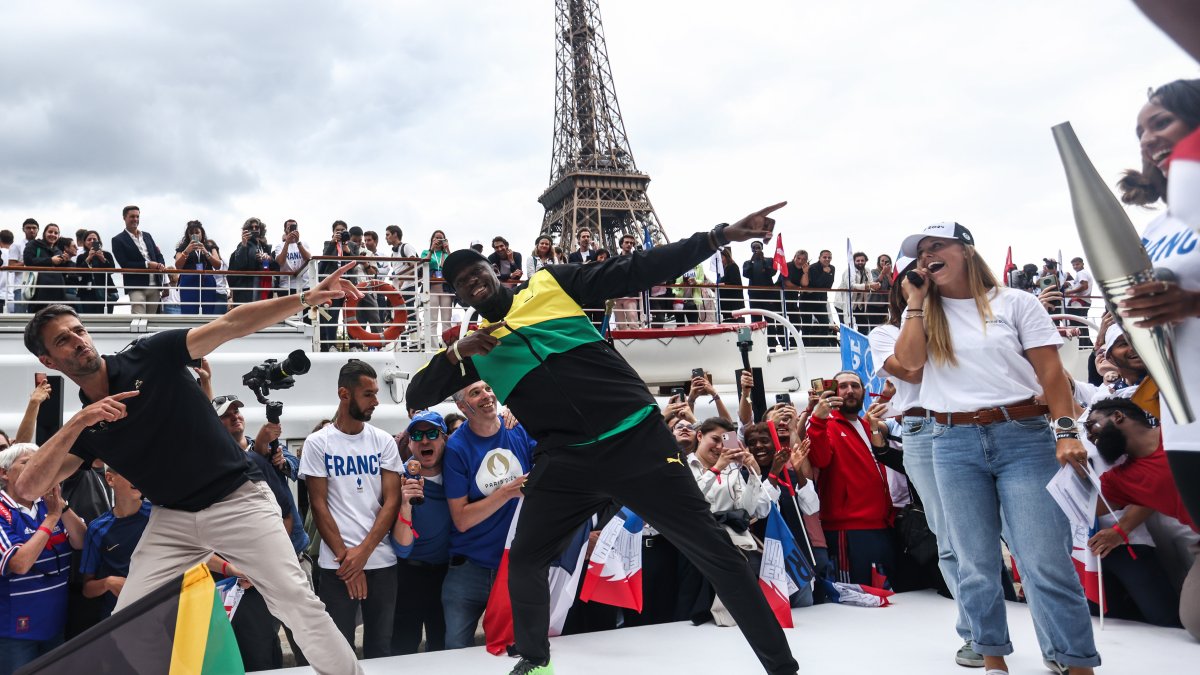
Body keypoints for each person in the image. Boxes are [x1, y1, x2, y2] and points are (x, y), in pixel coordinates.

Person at [407, 202, 798, 675]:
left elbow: (635, 268)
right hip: (568, 461)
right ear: (460, 297)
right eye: (463, 282)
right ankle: (534, 660)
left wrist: (717, 237)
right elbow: (416, 396)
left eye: (478, 271)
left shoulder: (549, 284)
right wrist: (455, 353)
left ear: (495, 270)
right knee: (526, 558)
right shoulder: (477, 350)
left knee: (716, 552)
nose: (474, 282)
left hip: (637, 441)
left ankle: (781, 667)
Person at [16, 261, 367, 675]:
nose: (78, 341)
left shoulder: (148, 355)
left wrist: (305, 298)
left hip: (237, 500)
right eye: (63, 340)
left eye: (78, 330)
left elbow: (232, 323)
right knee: (127, 624)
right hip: (172, 520)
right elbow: (26, 488)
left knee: (295, 601)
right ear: (47, 360)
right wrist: (77, 420)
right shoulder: (89, 425)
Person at [893, 221, 1099, 674]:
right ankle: (992, 662)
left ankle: (1075, 662)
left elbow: (1051, 375)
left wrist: (1066, 432)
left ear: (966, 250)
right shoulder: (925, 315)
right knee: (975, 563)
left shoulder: (1016, 302)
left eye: (937, 245)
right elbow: (908, 365)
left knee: (1044, 559)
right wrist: (913, 302)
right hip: (951, 442)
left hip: (1022, 436)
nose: (927, 255)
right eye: (921, 250)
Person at [867, 255, 983, 667]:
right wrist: (918, 309)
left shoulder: (968, 323)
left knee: (992, 536)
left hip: (974, 426)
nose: (923, 283)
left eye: (930, 279)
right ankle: (976, 632)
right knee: (949, 540)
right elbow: (912, 371)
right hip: (924, 433)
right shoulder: (885, 333)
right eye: (913, 281)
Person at [1113, 83, 1200, 631]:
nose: (1148, 138)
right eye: (1141, 131)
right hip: (1186, 427)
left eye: (1161, 122)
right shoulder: (1157, 229)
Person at [300, 360, 402, 659]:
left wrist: (363, 554)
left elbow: (391, 501)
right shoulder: (318, 443)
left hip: (381, 561)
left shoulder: (383, 441)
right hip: (338, 566)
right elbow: (318, 505)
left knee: (380, 647)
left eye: (375, 393)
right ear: (344, 394)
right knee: (339, 649)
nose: (376, 401)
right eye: (368, 394)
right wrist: (350, 560)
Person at [439, 380, 535, 650]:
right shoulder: (457, 448)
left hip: (515, 566)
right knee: (456, 654)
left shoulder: (519, 430)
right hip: (469, 569)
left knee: (516, 652)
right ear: (461, 406)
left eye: (489, 389)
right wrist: (507, 492)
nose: (486, 396)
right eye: (475, 392)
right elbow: (462, 519)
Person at [1084, 396, 1192, 627]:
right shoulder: (1119, 480)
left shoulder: (1179, 431)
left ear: (1118, 416)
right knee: (1194, 618)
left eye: (1092, 427)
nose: (1091, 438)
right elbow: (1086, 509)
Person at [0, 444, 86, 673]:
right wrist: (52, 518)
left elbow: (82, 542)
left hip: (55, 624)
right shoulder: (3, 511)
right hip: (14, 634)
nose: (36, 471)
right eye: (26, 464)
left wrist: (62, 508)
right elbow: (19, 563)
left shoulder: (48, 505)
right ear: (4, 473)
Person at [805, 371, 896, 586]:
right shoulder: (825, 424)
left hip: (880, 526)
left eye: (855, 386)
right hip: (848, 530)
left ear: (863, 391)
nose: (849, 391)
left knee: (886, 601)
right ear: (834, 391)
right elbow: (820, 459)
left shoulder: (867, 426)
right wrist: (817, 418)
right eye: (843, 386)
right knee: (854, 600)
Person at [389, 411, 452, 655]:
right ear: (410, 442)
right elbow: (402, 548)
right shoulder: (399, 477)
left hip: (447, 574)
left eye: (432, 433)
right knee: (403, 647)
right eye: (417, 434)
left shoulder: (457, 471)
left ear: (443, 438)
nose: (425, 440)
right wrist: (405, 504)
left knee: (445, 647)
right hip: (409, 574)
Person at [79, 465, 151, 621]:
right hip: (117, 618)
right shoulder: (97, 529)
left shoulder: (158, 516)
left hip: (157, 611)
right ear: (110, 479)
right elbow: (87, 589)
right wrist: (108, 583)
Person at [110, 206, 166, 315]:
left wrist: (161, 265)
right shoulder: (117, 240)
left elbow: (158, 255)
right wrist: (147, 264)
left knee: (151, 320)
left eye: (137, 216)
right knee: (139, 318)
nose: (135, 219)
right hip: (136, 285)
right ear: (124, 218)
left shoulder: (147, 235)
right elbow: (125, 264)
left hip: (155, 284)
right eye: (132, 216)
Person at [173, 220, 222, 315]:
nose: (194, 235)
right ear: (187, 235)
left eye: (197, 232)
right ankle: (190, 330)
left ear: (202, 233)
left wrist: (205, 251)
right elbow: (178, 266)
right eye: (191, 233)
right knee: (188, 312)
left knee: (208, 312)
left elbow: (218, 265)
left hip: (207, 281)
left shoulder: (210, 246)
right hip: (188, 282)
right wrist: (187, 251)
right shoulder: (182, 247)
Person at [228, 217, 278, 307]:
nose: (254, 229)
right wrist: (244, 244)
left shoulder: (265, 247)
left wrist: (268, 259)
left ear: (261, 229)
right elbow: (240, 264)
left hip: (264, 287)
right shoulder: (243, 245)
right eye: (251, 227)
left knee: (263, 315)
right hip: (248, 289)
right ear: (247, 230)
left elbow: (276, 267)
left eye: (257, 227)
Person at [23, 223, 70, 313]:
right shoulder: (33, 244)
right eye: (50, 232)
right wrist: (50, 260)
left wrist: (65, 261)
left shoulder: (58, 250)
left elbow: (62, 271)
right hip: (39, 289)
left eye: (56, 233)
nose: (53, 234)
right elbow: (28, 261)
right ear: (44, 233)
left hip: (57, 290)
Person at [75, 231, 117, 314]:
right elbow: (79, 272)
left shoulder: (107, 254)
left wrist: (102, 258)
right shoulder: (81, 257)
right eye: (89, 239)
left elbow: (112, 270)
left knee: (106, 317)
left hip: (106, 291)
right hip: (87, 292)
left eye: (94, 239)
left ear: (99, 241)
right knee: (88, 317)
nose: (92, 241)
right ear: (84, 242)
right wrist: (89, 258)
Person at [422, 230, 452, 343]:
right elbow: (425, 262)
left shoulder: (446, 254)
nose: (439, 241)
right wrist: (431, 248)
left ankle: (447, 346)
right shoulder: (426, 252)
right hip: (432, 289)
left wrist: (447, 249)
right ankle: (433, 346)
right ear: (432, 239)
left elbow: (452, 263)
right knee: (432, 320)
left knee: (446, 320)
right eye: (436, 238)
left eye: (441, 238)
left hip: (445, 289)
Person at [275, 219, 313, 295]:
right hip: (286, 285)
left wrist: (298, 242)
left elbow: (308, 259)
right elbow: (280, 262)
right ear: (285, 230)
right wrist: (287, 243)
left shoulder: (303, 243)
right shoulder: (279, 245)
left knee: (306, 307)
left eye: (294, 227)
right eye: (289, 228)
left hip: (304, 284)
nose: (292, 230)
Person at [717, 246, 744, 324]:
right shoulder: (722, 270)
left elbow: (735, 283)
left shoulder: (733, 266)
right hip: (725, 302)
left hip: (732, 302)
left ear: (726, 256)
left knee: (733, 323)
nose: (720, 260)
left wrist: (721, 284)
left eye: (721, 257)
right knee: (726, 321)